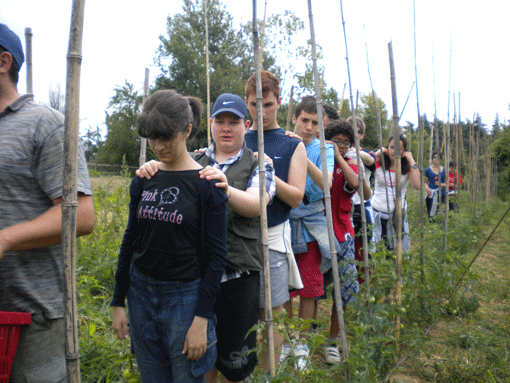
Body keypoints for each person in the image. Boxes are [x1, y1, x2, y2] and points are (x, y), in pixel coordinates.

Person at [135, 93, 276, 383]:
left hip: (238, 273)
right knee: (200, 351)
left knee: (236, 360)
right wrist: (150, 167)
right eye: (220, 121)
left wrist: (224, 188)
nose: (226, 127)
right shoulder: (193, 158)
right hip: (195, 278)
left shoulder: (260, 163)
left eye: (234, 122)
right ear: (209, 123)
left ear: (246, 125)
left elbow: (257, 204)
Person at [111, 90, 228, 383]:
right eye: (152, 138)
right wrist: (117, 301)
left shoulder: (207, 186)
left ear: (187, 130)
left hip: (184, 299)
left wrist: (201, 319)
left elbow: (217, 258)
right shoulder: (143, 180)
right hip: (140, 293)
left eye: (166, 137)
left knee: (187, 377)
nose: (159, 146)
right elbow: (130, 240)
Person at [0, 23, 95, 382]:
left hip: (33, 315)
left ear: (4, 61)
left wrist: (5, 238)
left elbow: (82, 216)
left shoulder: (45, 124)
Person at [244, 71, 307, 372]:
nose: (262, 111)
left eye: (268, 104)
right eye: (256, 104)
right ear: (247, 102)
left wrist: (268, 171)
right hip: (238, 238)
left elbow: (296, 197)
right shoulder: (236, 137)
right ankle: (243, 371)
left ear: (279, 102)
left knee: (273, 313)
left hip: (273, 239)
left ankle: (271, 374)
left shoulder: (291, 144)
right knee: (241, 314)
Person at [280, 96, 335, 371]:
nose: (309, 126)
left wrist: (300, 151)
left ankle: (302, 343)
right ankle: (288, 340)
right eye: (305, 120)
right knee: (286, 286)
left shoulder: (326, 148)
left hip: (312, 224)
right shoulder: (283, 141)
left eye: (315, 123)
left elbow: (326, 182)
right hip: (286, 223)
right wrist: (293, 146)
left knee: (310, 286)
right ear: (294, 118)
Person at [321, 119, 360, 364]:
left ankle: (333, 339)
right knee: (313, 290)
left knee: (342, 290)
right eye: (337, 141)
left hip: (342, 234)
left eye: (346, 143)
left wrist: (339, 156)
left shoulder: (349, 166)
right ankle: (309, 333)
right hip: (318, 235)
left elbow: (354, 184)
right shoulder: (317, 160)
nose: (342, 146)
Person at [372, 134, 421, 253]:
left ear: (404, 151)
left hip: (396, 216)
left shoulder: (407, 167)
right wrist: (377, 153)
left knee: (395, 250)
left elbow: (417, 185)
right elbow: (364, 163)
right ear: (387, 148)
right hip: (376, 213)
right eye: (392, 147)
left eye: (399, 149)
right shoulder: (379, 162)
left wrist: (411, 160)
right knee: (374, 250)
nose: (395, 151)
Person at [346, 116, 375, 284]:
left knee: (363, 252)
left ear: (362, 135)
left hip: (361, 208)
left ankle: (364, 287)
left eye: (357, 132)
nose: (353, 135)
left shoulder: (366, 155)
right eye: (350, 131)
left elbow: (371, 160)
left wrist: (356, 153)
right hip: (344, 208)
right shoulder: (339, 153)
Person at [424, 150, 445, 218]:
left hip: (441, 194)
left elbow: (448, 183)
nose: (436, 159)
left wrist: (441, 184)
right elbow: (425, 182)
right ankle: (431, 227)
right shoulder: (428, 170)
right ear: (432, 159)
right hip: (430, 194)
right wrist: (427, 188)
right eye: (434, 157)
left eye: (438, 157)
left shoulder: (444, 170)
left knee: (440, 213)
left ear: (441, 159)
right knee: (430, 213)